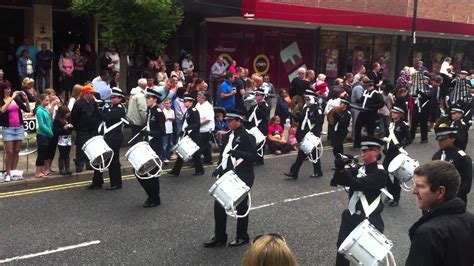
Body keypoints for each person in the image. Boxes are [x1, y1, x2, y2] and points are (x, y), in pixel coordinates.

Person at [330, 136, 388, 266]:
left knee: (366, 257)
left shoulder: (380, 173)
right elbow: (339, 180)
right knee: (342, 249)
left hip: (370, 219)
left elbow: (358, 184)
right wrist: (341, 168)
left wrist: (343, 171)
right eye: (362, 151)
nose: (362, 154)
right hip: (351, 216)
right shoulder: (359, 168)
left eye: (366, 151)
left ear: (376, 152)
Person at [204, 109, 257, 248]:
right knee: (219, 205)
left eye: (230, 121)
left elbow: (254, 156)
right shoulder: (229, 135)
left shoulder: (247, 136)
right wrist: (219, 168)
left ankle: (242, 236)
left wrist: (238, 153)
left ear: (238, 121)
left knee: (241, 206)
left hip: (243, 175)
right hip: (228, 174)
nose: (227, 123)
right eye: (226, 120)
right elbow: (224, 156)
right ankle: (220, 237)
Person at [406, 160, 474, 266]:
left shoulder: (428, 233)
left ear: (440, 192)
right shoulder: (470, 219)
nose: (414, 191)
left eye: (420, 186)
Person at [86, 88, 126, 190]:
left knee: (113, 161)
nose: (111, 99)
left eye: (114, 97)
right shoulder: (112, 107)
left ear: (120, 99)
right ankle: (97, 182)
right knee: (100, 158)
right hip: (107, 137)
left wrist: (95, 106)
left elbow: (106, 117)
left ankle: (116, 183)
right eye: (111, 97)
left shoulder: (120, 109)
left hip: (114, 138)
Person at [135, 87, 166, 207]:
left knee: (152, 173)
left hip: (155, 146)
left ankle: (154, 198)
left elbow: (162, 132)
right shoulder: (150, 111)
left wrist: (148, 133)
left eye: (148, 98)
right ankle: (152, 196)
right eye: (146, 98)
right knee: (140, 171)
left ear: (155, 99)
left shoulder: (158, 112)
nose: (146, 100)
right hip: (148, 144)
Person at [284, 90, 324, 179]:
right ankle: (315, 171)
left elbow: (319, 122)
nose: (306, 101)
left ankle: (295, 172)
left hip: (311, 136)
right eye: (306, 100)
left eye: (308, 99)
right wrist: (293, 114)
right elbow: (300, 120)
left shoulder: (318, 109)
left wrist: (315, 136)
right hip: (304, 135)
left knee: (309, 154)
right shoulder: (306, 109)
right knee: (305, 154)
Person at [432, 124, 472, 204]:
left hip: (456, 200)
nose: (440, 142)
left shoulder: (462, 157)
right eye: (439, 140)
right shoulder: (437, 155)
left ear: (453, 138)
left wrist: (451, 196)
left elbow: (466, 183)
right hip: (439, 198)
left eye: (443, 139)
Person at [0, 81, 30, 182]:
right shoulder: (2, 100)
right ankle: (7, 173)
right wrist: (11, 98)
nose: (8, 90)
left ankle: (13, 171)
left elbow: (27, 110)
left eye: (9, 88)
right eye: (6, 89)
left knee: (17, 151)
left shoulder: (16, 99)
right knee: (10, 151)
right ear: (2, 90)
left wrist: (26, 100)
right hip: (8, 129)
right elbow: (2, 110)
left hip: (19, 128)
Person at [382, 105, 410, 207]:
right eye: (392, 112)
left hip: (397, 154)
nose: (393, 114)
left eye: (396, 113)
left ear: (400, 115)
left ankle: (396, 198)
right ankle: (390, 193)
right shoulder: (390, 125)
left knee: (396, 177)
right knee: (384, 174)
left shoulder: (402, 125)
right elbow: (386, 137)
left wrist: (401, 146)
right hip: (389, 153)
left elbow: (408, 138)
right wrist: (385, 147)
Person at [169, 96, 204, 176]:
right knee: (182, 151)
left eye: (186, 101)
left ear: (191, 102)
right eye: (184, 101)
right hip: (188, 134)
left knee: (195, 154)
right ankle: (175, 171)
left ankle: (199, 170)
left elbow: (197, 124)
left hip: (194, 135)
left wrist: (189, 128)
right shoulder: (188, 111)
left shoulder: (194, 111)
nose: (185, 103)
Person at [70, 84, 102, 173]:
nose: (92, 95)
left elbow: (97, 113)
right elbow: (74, 117)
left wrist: (106, 118)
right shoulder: (78, 104)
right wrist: (78, 128)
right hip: (82, 130)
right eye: (91, 93)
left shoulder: (92, 102)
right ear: (86, 93)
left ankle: (89, 164)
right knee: (81, 148)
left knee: (90, 148)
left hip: (92, 129)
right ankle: (79, 165)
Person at [353, 80, 385, 148]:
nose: (364, 87)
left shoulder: (376, 93)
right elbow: (362, 100)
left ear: (369, 85)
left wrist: (373, 107)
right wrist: (357, 101)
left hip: (371, 114)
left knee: (370, 130)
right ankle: (357, 144)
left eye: (365, 86)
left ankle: (370, 144)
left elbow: (382, 103)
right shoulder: (365, 92)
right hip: (362, 113)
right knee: (357, 128)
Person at [246, 87, 270, 166]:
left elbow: (264, 116)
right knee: (253, 143)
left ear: (263, 96)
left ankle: (260, 160)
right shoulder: (254, 106)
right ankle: (254, 158)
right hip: (254, 127)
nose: (256, 96)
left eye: (258, 95)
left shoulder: (265, 105)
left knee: (260, 143)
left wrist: (260, 105)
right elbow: (248, 116)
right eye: (256, 95)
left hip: (261, 127)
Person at [34, 93, 54, 178]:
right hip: (42, 135)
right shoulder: (39, 111)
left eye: (49, 100)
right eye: (46, 100)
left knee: (45, 153)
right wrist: (50, 132)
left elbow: (49, 121)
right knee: (41, 154)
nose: (48, 102)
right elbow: (41, 125)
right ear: (41, 100)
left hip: (47, 135)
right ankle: (37, 172)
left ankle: (42, 170)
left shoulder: (45, 110)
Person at [410, 74, 434, 143]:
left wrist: (420, 93)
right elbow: (412, 95)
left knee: (424, 124)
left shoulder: (430, 88)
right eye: (422, 80)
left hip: (425, 108)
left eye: (425, 80)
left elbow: (428, 96)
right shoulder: (416, 87)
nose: (424, 81)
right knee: (414, 123)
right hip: (417, 107)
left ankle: (424, 138)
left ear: (428, 80)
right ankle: (411, 137)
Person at [53, 106, 73, 175]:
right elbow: (56, 131)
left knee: (67, 153)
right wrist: (63, 128)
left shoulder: (68, 119)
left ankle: (67, 168)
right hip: (61, 140)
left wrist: (71, 127)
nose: (68, 114)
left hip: (68, 139)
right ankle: (61, 169)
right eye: (66, 113)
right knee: (62, 154)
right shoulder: (57, 120)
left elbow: (71, 129)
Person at [196, 92, 215, 165]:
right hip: (199, 129)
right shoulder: (197, 104)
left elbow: (208, 119)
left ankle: (196, 160)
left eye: (199, 96)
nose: (197, 98)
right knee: (205, 145)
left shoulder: (208, 106)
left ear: (203, 98)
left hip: (206, 129)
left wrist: (197, 124)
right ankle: (208, 159)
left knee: (201, 145)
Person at [127, 78, 148, 144]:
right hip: (139, 120)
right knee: (138, 139)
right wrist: (145, 120)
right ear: (145, 86)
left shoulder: (132, 93)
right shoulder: (141, 96)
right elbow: (143, 109)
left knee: (134, 137)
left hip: (132, 119)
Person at [161, 98, 175, 163]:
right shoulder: (162, 111)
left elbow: (173, 119)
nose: (167, 105)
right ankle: (164, 157)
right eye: (166, 103)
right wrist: (167, 118)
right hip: (165, 130)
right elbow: (162, 120)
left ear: (171, 104)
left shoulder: (172, 111)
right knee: (164, 145)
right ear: (164, 104)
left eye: (169, 103)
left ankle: (168, 156)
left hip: (170, 130)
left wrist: (170, 118)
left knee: (170, 144)